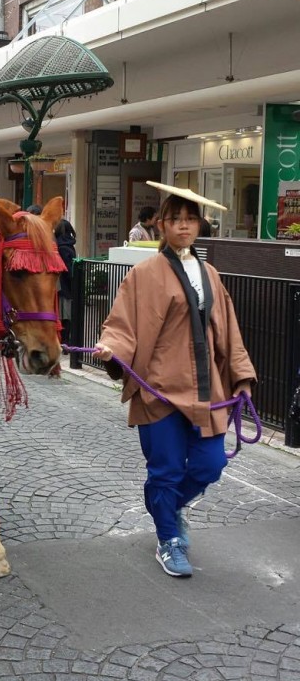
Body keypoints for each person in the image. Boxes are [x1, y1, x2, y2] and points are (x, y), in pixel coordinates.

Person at [94, 183, 256, 579]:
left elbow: (229, 329)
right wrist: (111, 348)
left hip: (206, 388)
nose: (183, 226)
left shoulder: (211, 274)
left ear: (199, 225)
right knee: (165, 471)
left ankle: (167, 506)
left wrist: (241, 377)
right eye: (175, 219)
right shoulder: (144, 274)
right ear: (163, 225)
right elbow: (123, 321)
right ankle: (169, 539)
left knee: (211, 464)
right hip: (159, 389)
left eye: (190, 219)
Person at [54, 217, 77, 344]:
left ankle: (62, 341)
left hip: (59, 287)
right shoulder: (68, 247)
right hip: (66, 288)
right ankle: (65, 342)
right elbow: (69, 270)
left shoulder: (57, 246)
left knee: (62, 315)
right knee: (66, 316)